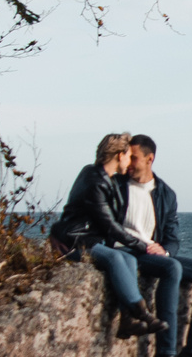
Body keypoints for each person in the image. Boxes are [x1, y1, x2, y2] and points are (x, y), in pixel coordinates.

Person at [123, 134, 192, 357]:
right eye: (127, 157)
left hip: (152, 253)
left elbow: (173, 237)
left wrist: (164, 251)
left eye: (134, 158)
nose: (128, 163)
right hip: (125, 251)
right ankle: (165, 354)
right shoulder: (117, 185)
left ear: (149, 159)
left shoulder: (165, 193)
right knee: (171, 268)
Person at [52, 133, 165, 335]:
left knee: (128, 260)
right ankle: (141, 312)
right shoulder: (96, 182)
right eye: (129, 156)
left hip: (88, 238)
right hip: (74, 240)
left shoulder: (102, 177)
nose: (130, 162)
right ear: (120, 155)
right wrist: (144, 246)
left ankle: (126, 321)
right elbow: (110, 226)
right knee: (115, 258)